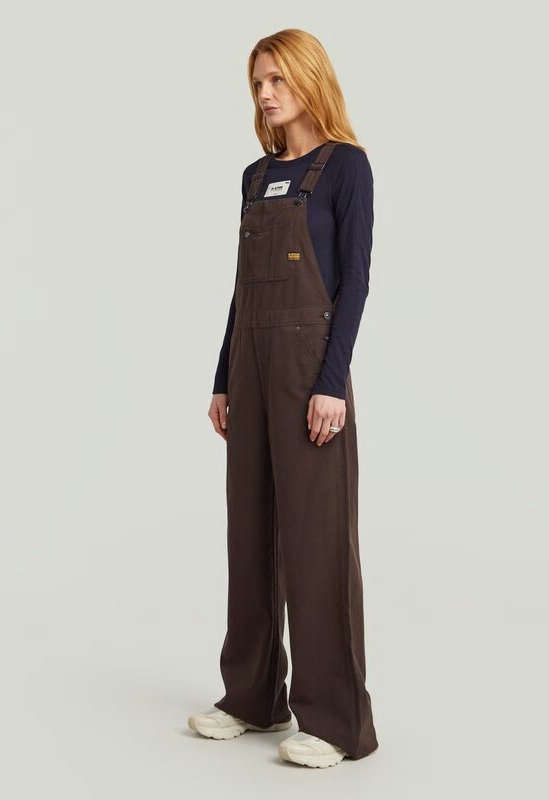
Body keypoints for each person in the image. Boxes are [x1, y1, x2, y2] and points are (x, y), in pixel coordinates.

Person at [188, 29, 378, 769]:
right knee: (251, 530)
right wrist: (224, 376)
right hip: (252, 366)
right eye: (258, 83)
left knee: (316, 539)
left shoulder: (346, 167)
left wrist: (331, 383)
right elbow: (242, 288)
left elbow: (354, 282)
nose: (266, 94)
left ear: (308, 78)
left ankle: (336, 721)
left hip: (309, 369)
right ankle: (253, 697)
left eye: (277, 79)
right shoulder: (255, 175)